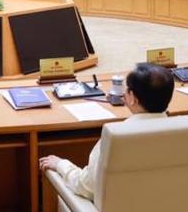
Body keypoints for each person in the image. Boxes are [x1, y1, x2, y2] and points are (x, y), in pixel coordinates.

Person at [38, 64, 174, 201]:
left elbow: (86, 187)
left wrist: (61, 165)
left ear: (133, 98)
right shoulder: (183, 132)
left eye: (127, 89)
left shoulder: (116, 136)